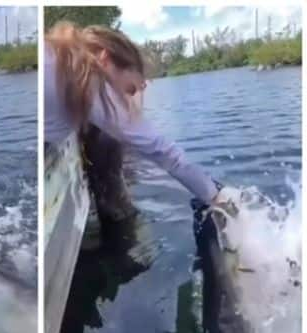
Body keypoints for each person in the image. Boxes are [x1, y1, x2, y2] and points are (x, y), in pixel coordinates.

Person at [44, 22, 227, 206]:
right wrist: (217, 197)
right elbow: (162, 151)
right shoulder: (93, 82)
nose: (126, 100)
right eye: (129, 90)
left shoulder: (56, 55)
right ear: (104, 58)